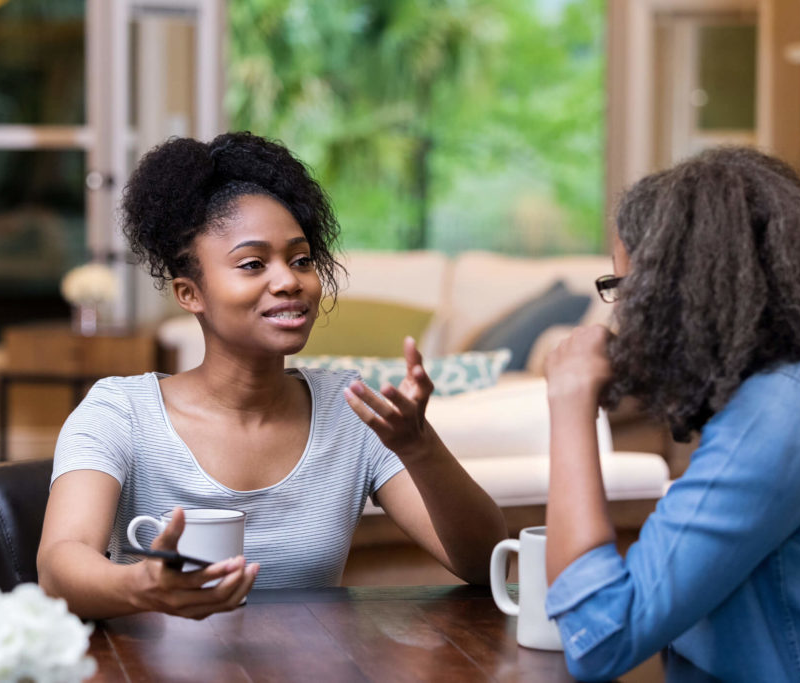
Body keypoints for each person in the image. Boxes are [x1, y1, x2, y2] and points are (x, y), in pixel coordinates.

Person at [36, 131, 508, 620]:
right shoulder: (120, 412)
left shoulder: (350, 410)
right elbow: (57, 567)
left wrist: (419, 446)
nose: (289, 281)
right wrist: (143, 586)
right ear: (189, 293)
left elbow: (484, 564)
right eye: (253, 263)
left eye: (301, 260)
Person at [542, 146, 800, 681]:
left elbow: (598, 636)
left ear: (675, 292)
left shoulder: (783, 415)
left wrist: (570, 402)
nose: (621, 318)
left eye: (622, 289)